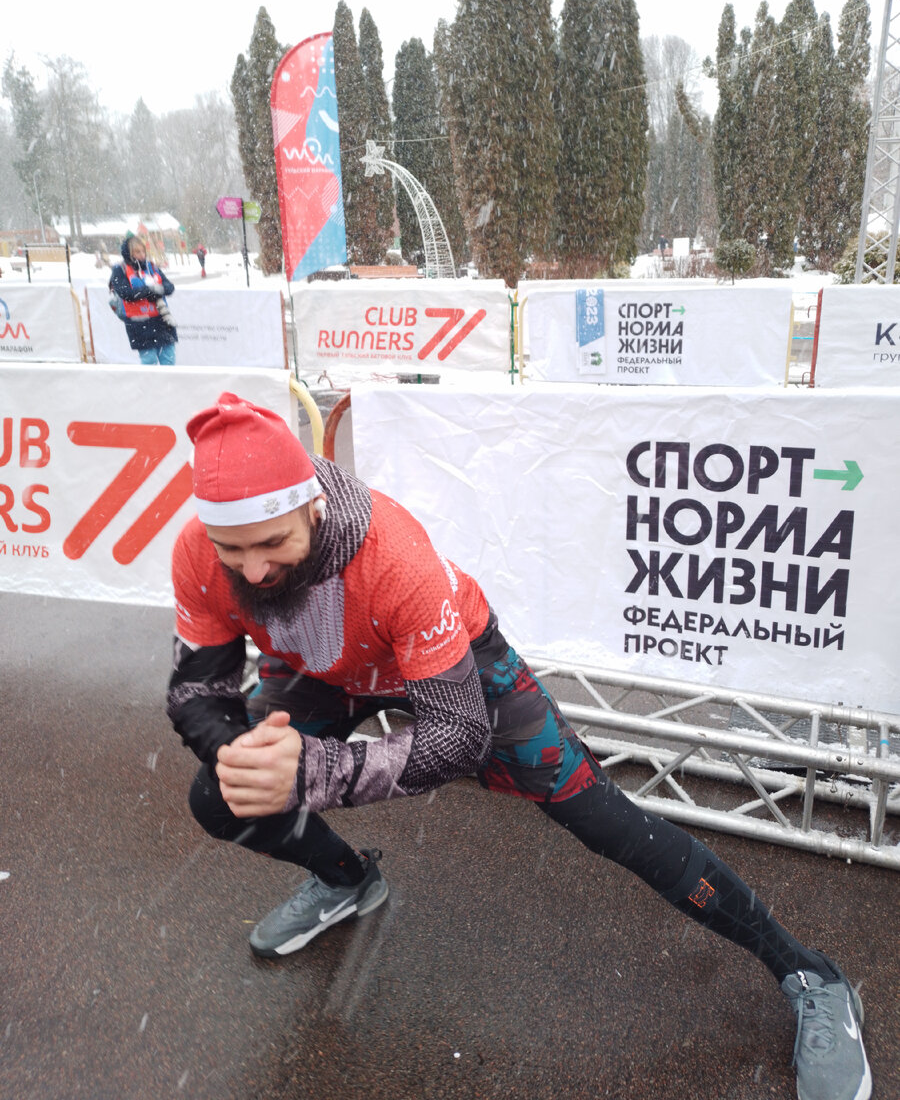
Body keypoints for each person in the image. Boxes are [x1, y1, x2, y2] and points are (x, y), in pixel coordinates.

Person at [167, 392, 872, 1100]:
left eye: (272, 545)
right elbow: (197, 693)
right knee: (219, 796)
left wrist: (317, 771)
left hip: (455, 672)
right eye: (234, 550)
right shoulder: (199, 553)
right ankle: (349, 879)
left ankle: (810, 974)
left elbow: (457, 738)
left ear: (314, 508)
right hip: (328, 670)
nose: (253, 571)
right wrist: (239, 754)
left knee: (605, 818)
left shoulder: (394, 556)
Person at [108, 235, 177, 365]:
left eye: (143, 251)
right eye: (137, 252)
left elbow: (169, 287)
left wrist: (159, 289)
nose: (142, 255)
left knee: (169, 360)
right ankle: (151, 385)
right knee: (149, 360)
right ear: (129, 253)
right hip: (139, 324)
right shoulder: (120, 270)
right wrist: (148, 291)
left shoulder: (151, 267)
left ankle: (168, 385)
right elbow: (125, 293)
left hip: (161, 320)